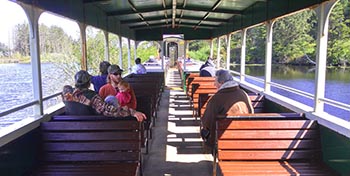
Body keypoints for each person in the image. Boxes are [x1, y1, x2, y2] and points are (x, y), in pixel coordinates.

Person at [201, 69, 254, 153]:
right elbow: (251, 113)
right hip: (245, 136)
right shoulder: (244, 94)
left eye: (216, 82)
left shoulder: (216, 99)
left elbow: (207, 121)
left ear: (222, 83)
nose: (214, 84)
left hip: (224, 140)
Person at [62, 70, 146, 122]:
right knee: (111, 99)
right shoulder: (92, 97)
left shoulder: (67, 95)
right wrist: (132, 112)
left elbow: (67, 90)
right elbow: (110, 111)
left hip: (72, 133)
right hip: (90, 131)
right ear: (89, 83)